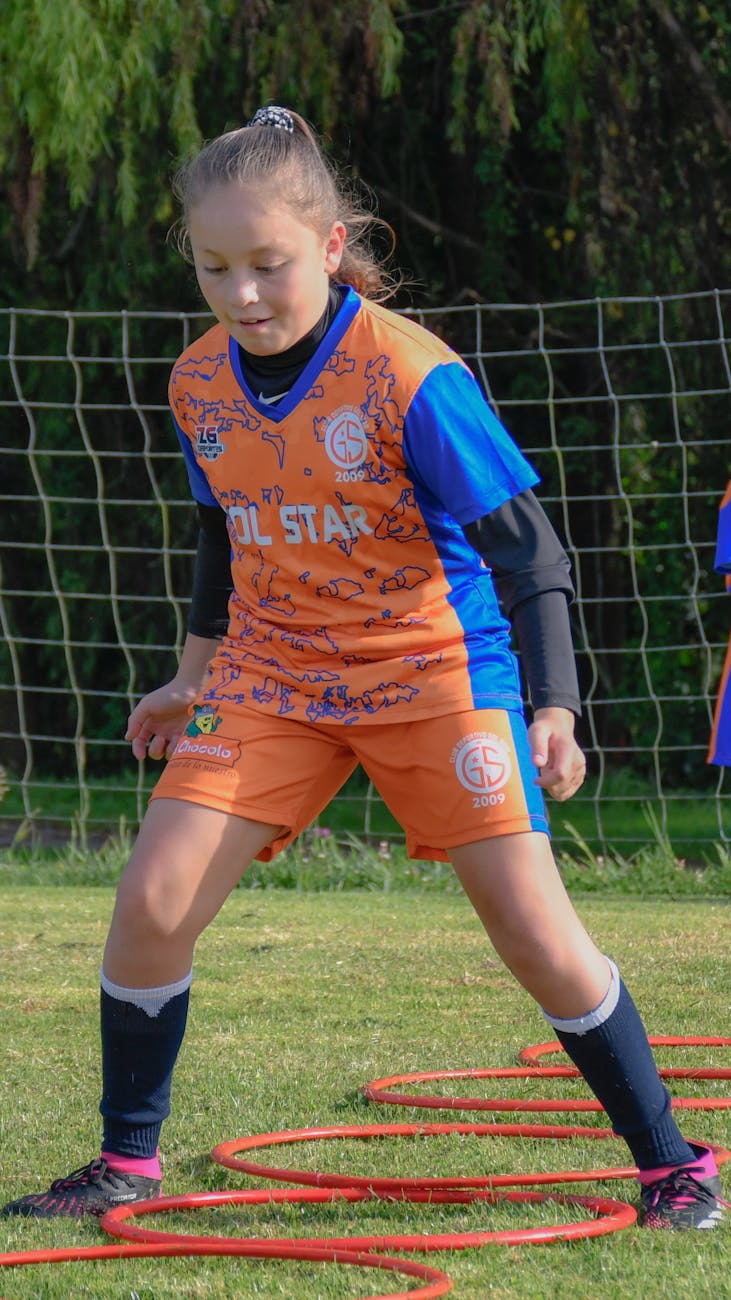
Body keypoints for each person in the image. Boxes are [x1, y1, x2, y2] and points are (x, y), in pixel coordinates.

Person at [3, 106, 725, 1231]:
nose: (241, 294)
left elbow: (529, 549)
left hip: (435, 669)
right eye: (214, 267)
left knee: (532, 929)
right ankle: (125, 1164)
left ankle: (669, 1163)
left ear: (331, 246)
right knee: (150, 900)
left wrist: (553, 706)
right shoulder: (198, 382)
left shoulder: (407, 376)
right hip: (271, 673)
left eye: (267, 265)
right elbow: (217, 535)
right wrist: (192, 674)